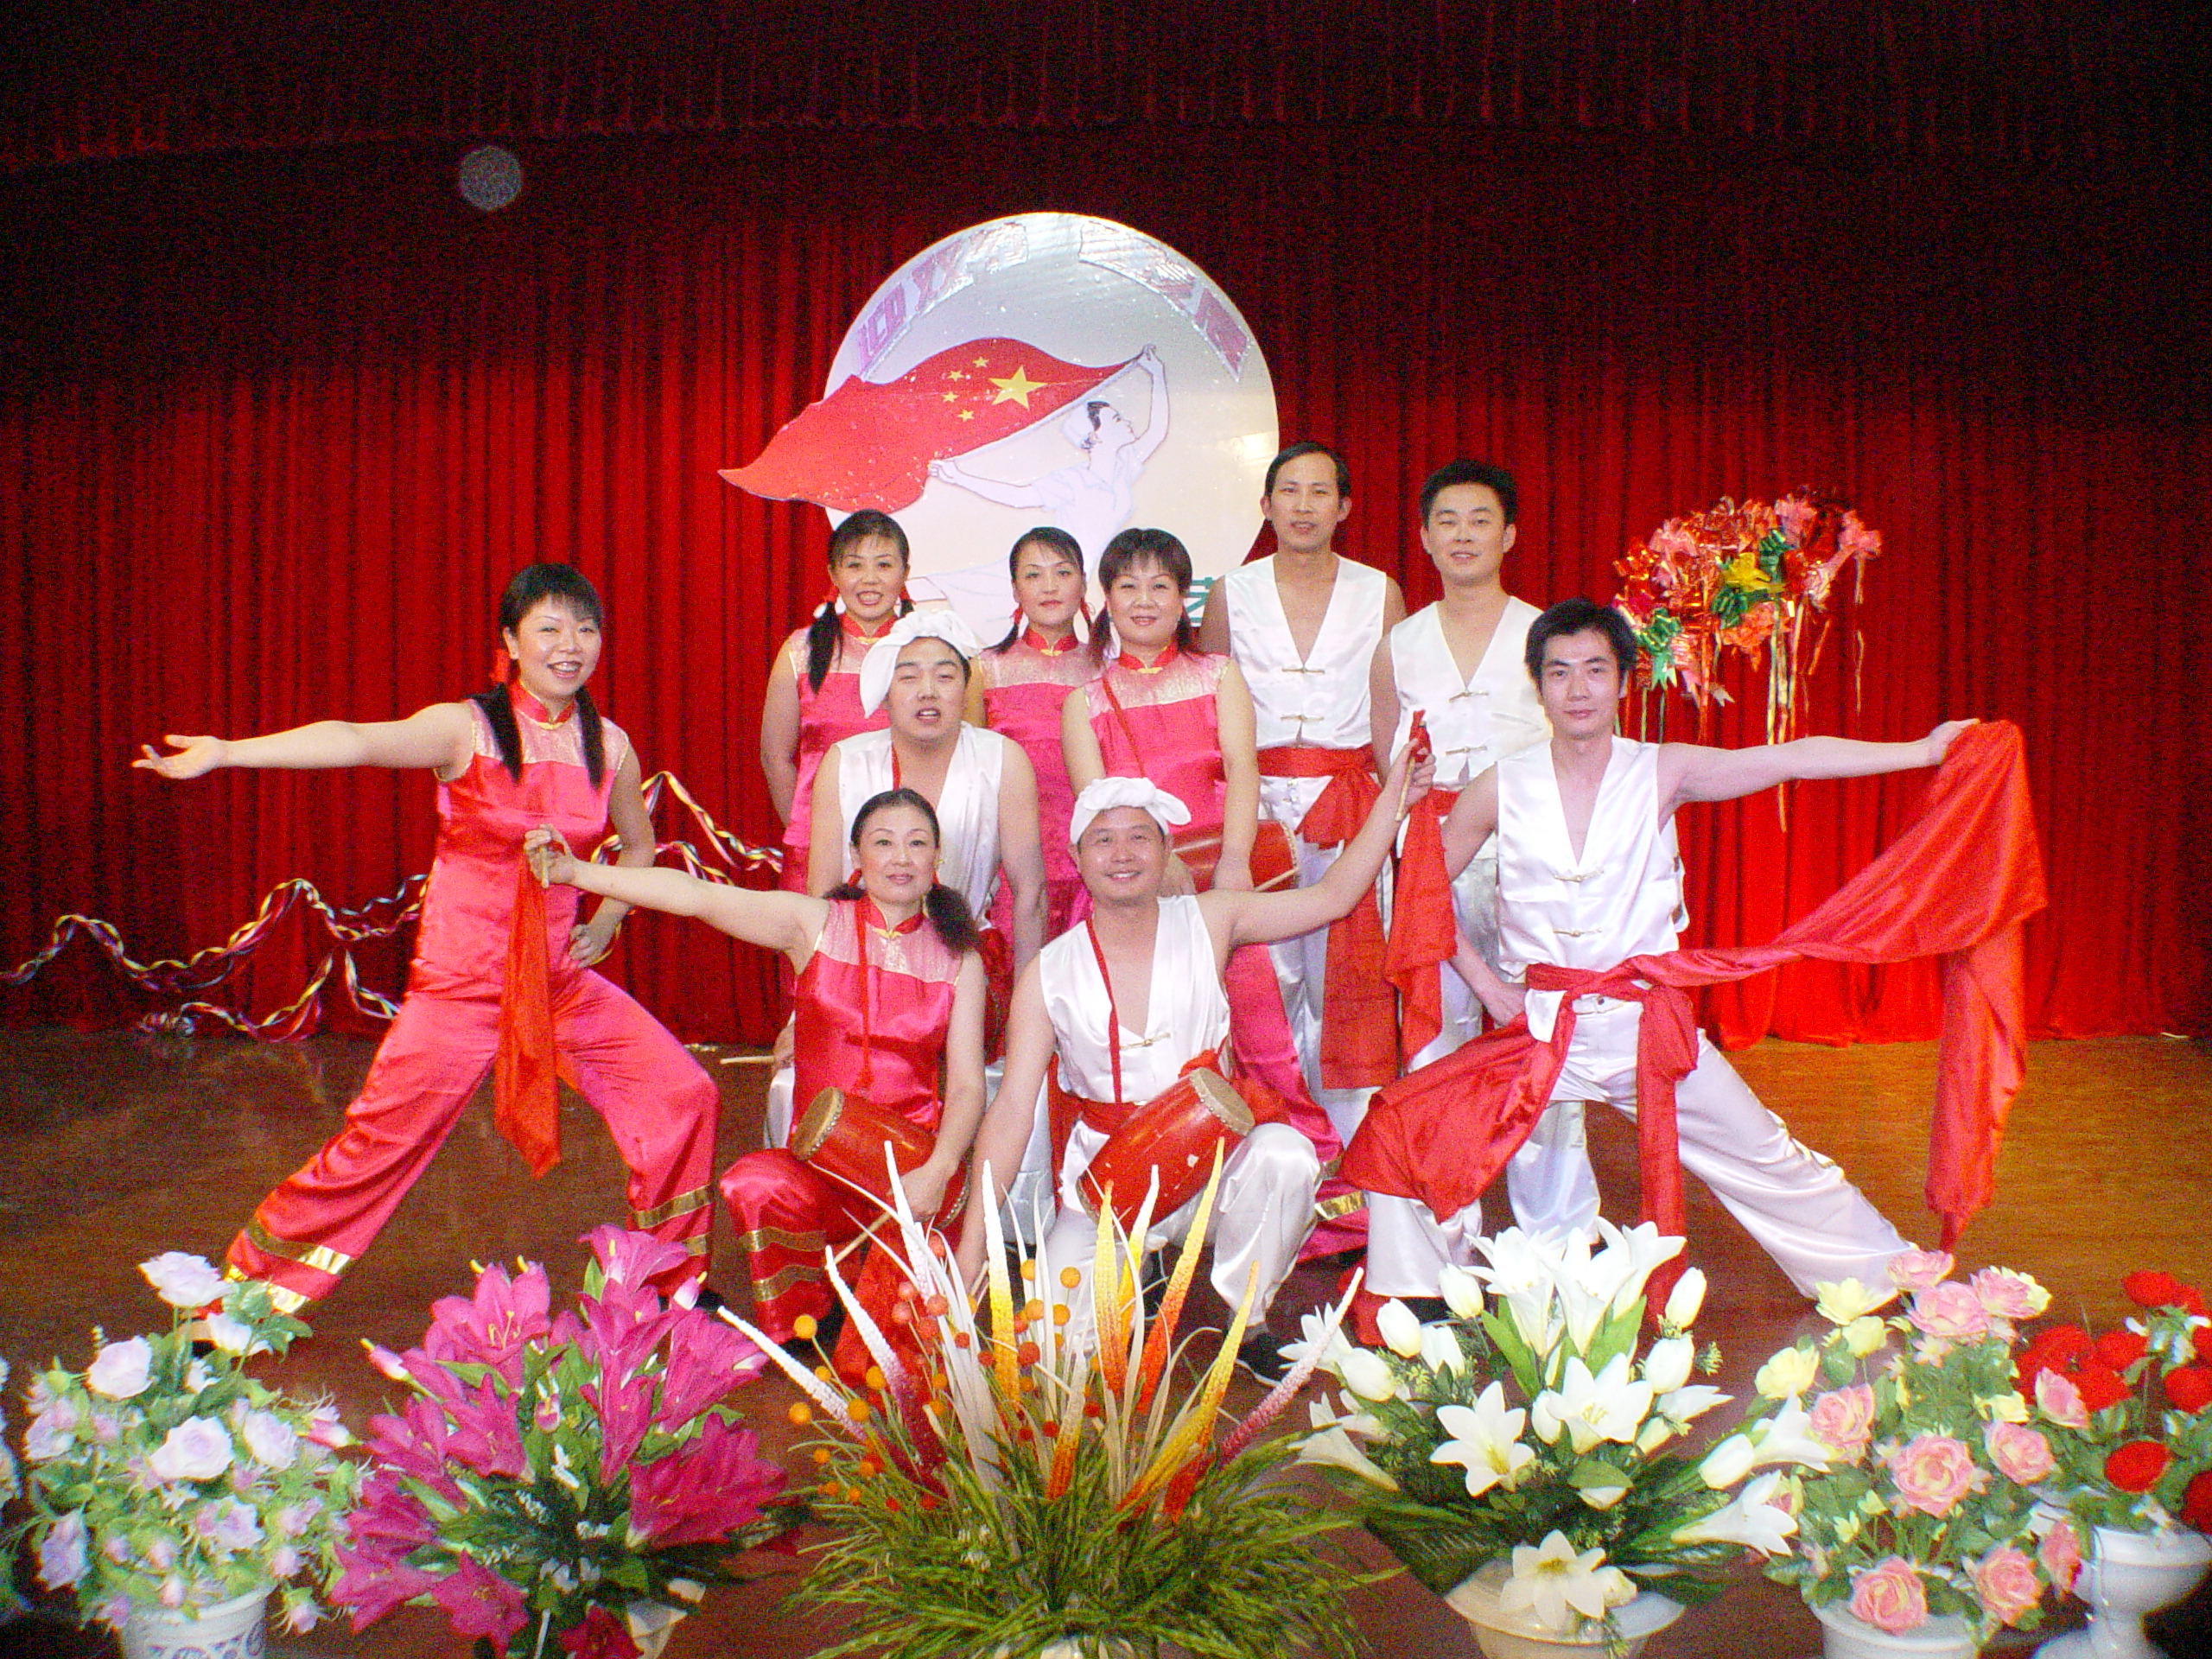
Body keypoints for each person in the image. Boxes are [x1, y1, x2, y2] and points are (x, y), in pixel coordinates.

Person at [136, 563, 719, 1311]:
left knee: (682, 1094)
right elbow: (355, 740)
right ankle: (245, 1299)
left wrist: (605, 919)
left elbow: (638, 846)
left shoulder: (608, 743)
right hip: (461, 990)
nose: (570, 645)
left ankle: (667, 1290)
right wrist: (229, 751)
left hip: (556, 986)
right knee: (376, 1147)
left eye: (585, 628)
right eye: (548, 628)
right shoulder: (464, 728)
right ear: (510, 641)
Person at [1421, 597, 1973, 1295]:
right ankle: (1499, 1296)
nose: (1578, 689)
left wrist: (1925, 750)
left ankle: (1880, 1274)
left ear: (1624, 680)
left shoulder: (1663, 769)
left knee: (1764, 1154)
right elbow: (1421, 889)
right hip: (1538, 1028)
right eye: (1559, 672)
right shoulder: (1501, 785)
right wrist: (1487, 986)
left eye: (1595, 669)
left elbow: (1790, 758)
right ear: (1538, 686)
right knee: (1433, 1148)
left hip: (1642, 1024)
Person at [962, 748, 1427, 1382]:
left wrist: (1395, 796)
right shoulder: (1050, 971)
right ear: (1076, 858)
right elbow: (1013, 1109)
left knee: (1287, 1156)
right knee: (1056, 1361)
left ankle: (1247, 1321)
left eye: (1139, 837)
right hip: (1110, 1184)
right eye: (1103, 840)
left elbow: (1334, 896)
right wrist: (973, 1247)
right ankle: (1139, 1270)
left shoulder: (1212, 919)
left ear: (1166, 851)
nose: (1122, 854)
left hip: (1214, 1164)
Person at [529, 788, 987, 1369]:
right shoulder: (814, 925)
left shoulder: (959, 959)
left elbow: (967, 1087)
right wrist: (576, 872)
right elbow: (696, 896)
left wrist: (938, 1171)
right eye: (883, 842)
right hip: (820, 1167)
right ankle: (807, 1320)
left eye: (917, 843)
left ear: (937, 858)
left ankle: (872, 1287)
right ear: (857, 856)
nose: (901, 858)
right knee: (756, 1183)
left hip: (909, 1175)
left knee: (884, 1369)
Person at [1362, 460, 1599, 1305]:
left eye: (1480, 519)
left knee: (1541, 1038)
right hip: (1433, 860)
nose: (1463, 535)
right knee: (1437, 1048)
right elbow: (1387, 758)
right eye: (1447, 521)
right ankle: (1440, 1252)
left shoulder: (1546, 634)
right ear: (1424, 538)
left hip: (1531, 857)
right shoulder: (1399, 643)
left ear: (1510, 534)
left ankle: (1556, 1245)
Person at [1062, 527, 1338, 1160]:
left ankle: (1299, 1168)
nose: (1144, 600)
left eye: (1160, 585)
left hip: (1222, 881)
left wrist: (1235, 863)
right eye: (1128, 585)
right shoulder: (1084, 702)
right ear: (1107, 598)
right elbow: (1096, 808)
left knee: (1260, 1034)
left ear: (1183, 597)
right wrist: (1155, 871)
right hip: (1130, 891)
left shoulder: (1218, 675)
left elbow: (1243, 768)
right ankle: (1155, 1170)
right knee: (1146, 1047)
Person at [1197, 442, 1406, 1142]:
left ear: (1344, 507)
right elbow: (1212, 702)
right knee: (1268, 980)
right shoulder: (1233, 592)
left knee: (1350, 979)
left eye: (1321, 492)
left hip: (1351, 802)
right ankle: (1280, 1144)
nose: (1304, 506)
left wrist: (1398, 813)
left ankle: (1353, 1152)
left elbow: (1394, 709)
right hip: (1256, 807)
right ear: (1266, 505)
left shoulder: (1379, 591)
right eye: (1290, 490)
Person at [757, 509, 920, 896]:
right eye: (854, 565)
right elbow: (775, 756)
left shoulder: (926, 650)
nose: (870, 579)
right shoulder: (802, 650)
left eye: (884, 565)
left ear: (905, 573)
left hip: (908, 852)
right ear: (833, 574)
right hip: (817, 848)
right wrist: (805, 828)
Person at [927, 346, 1169, 566]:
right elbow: (1018, 497)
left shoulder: (1123, 466)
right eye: (1116, 420)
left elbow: (1157, 432)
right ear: (1094, 436)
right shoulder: (1072, 481)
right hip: (1057, 571)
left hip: (1093, 574)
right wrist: (960, 478)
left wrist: (1157, 375)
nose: (1127, 422)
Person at [976, 527, 1098, 938]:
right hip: (1009, 864)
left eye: (1062, 573)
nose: (1049, 586)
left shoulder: (1107, 670)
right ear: (1015, 590)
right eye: (1033, 575)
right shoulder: (984, 670)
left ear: (1083, 584)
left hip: (1093, 859)